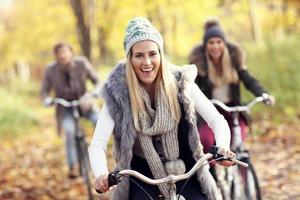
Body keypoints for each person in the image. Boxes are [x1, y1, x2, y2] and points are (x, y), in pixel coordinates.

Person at [88, 17, 236, 200]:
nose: (147, 62)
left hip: (185, 168)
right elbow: (97, 144)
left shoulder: (181, 81)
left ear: (160, 54)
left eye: (152, 54)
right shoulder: (118, 92)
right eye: (139, 55)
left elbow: (216, 119)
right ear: (130, 57)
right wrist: (101, 174)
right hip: (141, 175)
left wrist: (222, 147)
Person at [188, 18, 275, 153]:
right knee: (206, 141)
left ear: (225, 44)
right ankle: (212, 173)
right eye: (211, 43)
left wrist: (263, 94)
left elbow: (249, 80)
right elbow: (192, 89)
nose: (215, 46)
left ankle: (245, 173)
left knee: (239, 146)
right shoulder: (200, 66)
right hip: (211, 110)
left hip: (233, 110)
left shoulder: (234, 61)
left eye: (219, 42)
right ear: (206, 46)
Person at [40, 42, 101, 178]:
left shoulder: (82, 63)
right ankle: (72, 166)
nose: (62, 55)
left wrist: (93, 93)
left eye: (65, 52)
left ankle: (99, 152)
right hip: (65, 107)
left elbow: (97, 81)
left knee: (99, 121)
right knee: (69, 131)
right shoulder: (50, 69)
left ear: (71, 52)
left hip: (85, 103)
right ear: (55, 56)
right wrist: (47, 99)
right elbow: (44, 90)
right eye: (59, 53)